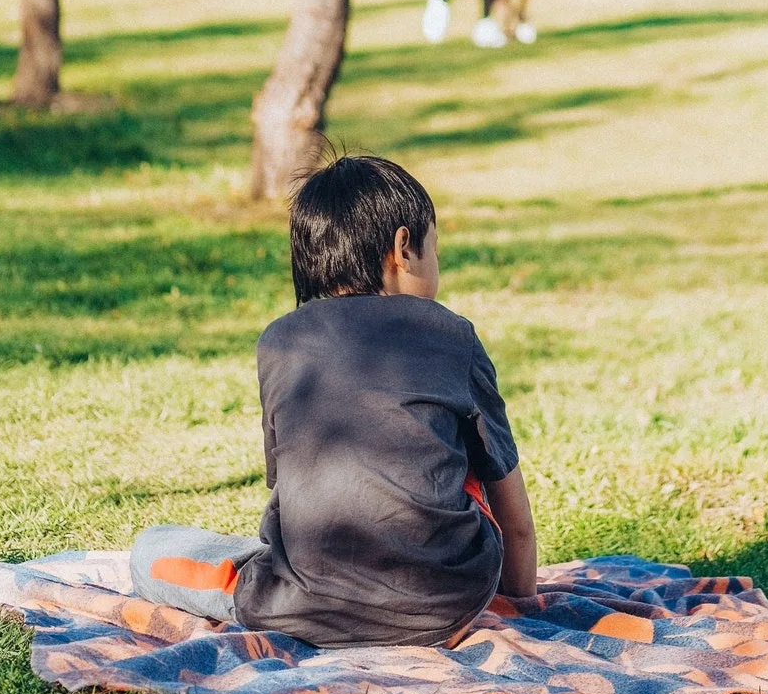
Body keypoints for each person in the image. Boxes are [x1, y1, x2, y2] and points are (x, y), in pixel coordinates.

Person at [128, 154, 538, 649]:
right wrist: (520, 600)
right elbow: (510, 508)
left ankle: (254, 582)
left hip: (303, 607)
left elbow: (289, 489)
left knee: (150, 550)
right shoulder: (453, 335)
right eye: (435, 250)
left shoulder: (278, 342)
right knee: (464, 457)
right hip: (447, 606)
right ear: (403, 249)